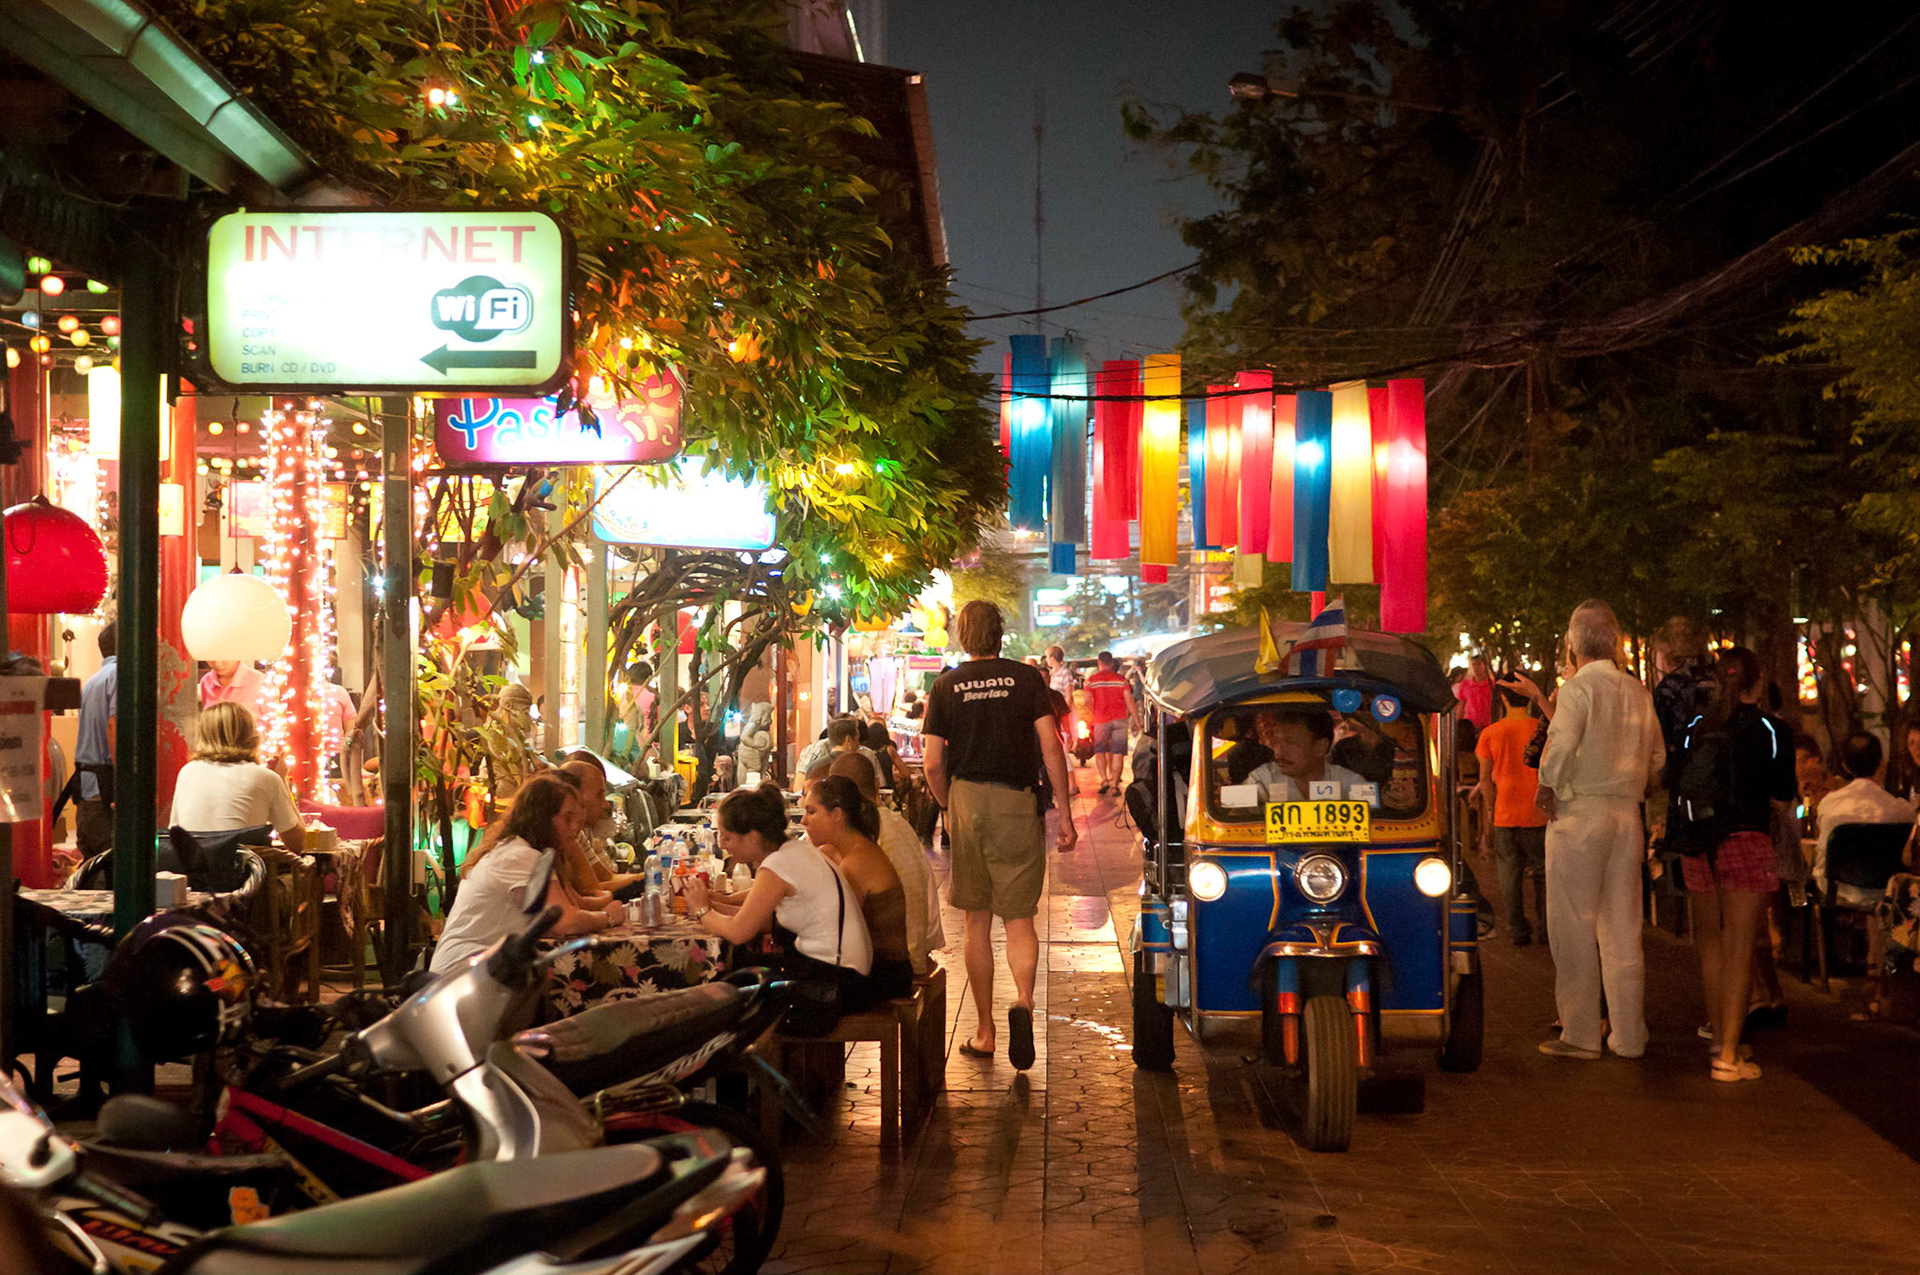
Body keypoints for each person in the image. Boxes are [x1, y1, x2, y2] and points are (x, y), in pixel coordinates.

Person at [923, 600, 1075, 1070]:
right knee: (1019, 918)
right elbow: (1052, 746)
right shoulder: (1028, 679)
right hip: (1017, 800)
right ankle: (1025, 1002)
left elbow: (931, 764)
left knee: (976, 920)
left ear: (962, 634)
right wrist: (1064, 814)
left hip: (967, 799)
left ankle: (986, 1032)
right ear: (1001, 634)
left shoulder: (945, 685)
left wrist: (950, 806)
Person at [1536, 600, 1663, 1061]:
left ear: (1573, 642)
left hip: (1580, 812)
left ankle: (1580, 1032)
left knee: (1573, 926)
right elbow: (1657, 761)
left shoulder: (1576, 690)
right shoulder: (1638, 692)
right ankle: (1629, 1035)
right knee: (1624, 928)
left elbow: (1562, 743)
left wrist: (1547, 786)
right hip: (1627, 813)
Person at [1678, 648, 1795, 1081]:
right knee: (1740, 946)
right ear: (1758, 680)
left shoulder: (1697, 725)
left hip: (1697, 842)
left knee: (1709, 943)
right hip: (1746, 839)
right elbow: (1783, 801)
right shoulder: (1772, 729)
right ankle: (1729, 1054)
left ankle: (1719, 1039)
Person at [683, 783, 873, 1001]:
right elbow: (757, 918)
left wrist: (702, 910)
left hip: (835, 984)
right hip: (842, 974)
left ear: (753, 837)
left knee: (732, 996)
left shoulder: (778, 865)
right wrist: (712, 903)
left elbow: (739, 932)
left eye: (727, 837)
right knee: (741, 973)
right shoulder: (795, 851)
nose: (723, 845)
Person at [429, 774, 623, 974]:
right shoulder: (520, 856)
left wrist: (611, 902)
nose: (575, 827)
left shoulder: (524, 851)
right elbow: (566, 921)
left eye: (576, 819)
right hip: (460, 977)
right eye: (567, 818)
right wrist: (607, 917)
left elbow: (574, 904)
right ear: (542, 818)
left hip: (480, 973)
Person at [1813, 731, 1915, 1022]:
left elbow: (1822, 857)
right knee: (1877, 901)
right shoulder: (1899, 809)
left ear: (1845, 765)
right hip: (1884, 891)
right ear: (1881, 764)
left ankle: (1840, 971)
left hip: (1839, 889)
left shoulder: (1830, 804)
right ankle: (1878, 972)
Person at [802, 774, 913, 1001]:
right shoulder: (836, 852)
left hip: (885, 974)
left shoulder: (857, 862)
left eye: (811, 812)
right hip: (870, 967)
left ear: (837, 815)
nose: (804, 821)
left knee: (792, 995)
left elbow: (834, 928)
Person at [832, 752, 943, 974]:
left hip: (893, 965)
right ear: (876, 784)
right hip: (917, 954)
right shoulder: (900, 825)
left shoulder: (858, 835)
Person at [170, 703, 305, 853]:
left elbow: (175, 830)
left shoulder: (187, 772)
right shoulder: (265, 777)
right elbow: (297, 844)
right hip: (245, 874)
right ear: (251, 736)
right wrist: (282, 780)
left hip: (193, 871)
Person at [1475, 680, 1549, 946]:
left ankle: (1517, 929)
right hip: (1538, 812)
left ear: (1504, 700)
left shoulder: (1490, 733)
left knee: (1509, 874)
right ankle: (1546, 928)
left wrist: (1489, 810)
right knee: (1543, 874)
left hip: (1505, 813)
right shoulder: (1541, 729)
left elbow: (1485, 779)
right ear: (1528, 698)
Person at [1246, 707, 1367, 803]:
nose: (1279, 751)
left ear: (1320, 747)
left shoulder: (1351, 784)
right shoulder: (1262, 781)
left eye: (1291, 742)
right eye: (1277, 742)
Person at [72, 623, 117, 858]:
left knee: (93, 871)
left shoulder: (92, 681)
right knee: (109, 873)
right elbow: (114, 725)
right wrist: (123, 784)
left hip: (88, 790)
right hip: (106, 793)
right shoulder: (120, 675)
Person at [1084, 651, 1134, 797]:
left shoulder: (1091, 680)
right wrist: (1136, 720)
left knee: (1100, 751)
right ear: (1112, 663)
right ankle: (1114, 785)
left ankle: (1104, 780)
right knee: (1118, 753)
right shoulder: (1121, 680)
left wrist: (1094, 713)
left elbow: (1087, 700)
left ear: (1099, 663)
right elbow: (1129, 700)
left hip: (1101, 719)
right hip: (1120, 719)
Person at [793, 717, 877, 791]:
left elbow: (801, 789)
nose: (859, 745)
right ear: (848, 740)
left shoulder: (815, 766)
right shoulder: (857, 766)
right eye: (857, 739)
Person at [198, 658, 264, 715]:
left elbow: (271, 721)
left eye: (224, 657)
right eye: (210, 657)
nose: (217, 664)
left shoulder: (260, 681)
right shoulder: (206, 681)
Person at [1454, 654, 1494, 734]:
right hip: (1469, 727)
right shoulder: (1465, 685)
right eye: (1473, 664)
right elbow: (1461, 706)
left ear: (1485, 665)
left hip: (1488, 726)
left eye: (1478, 664)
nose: (1476, 667)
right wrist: (1458, 723)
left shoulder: (1492, 684)